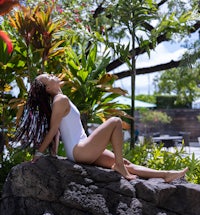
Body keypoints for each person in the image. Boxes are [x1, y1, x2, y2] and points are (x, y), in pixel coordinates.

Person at [15, 73, 188, 182]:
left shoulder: (59, 101)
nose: (53, 76)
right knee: (115, 122)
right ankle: (119, 166)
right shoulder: (61, 100)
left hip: (82, 149)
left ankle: (166, 174)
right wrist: (39, 154)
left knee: (127, 163)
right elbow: (53, 130)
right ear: (48, 88)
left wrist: (53, 155)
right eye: (49, 78)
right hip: (81, 150)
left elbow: (58, 131)